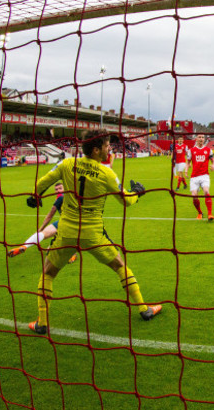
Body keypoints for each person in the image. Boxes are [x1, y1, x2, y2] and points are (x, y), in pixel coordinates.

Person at [25, 129, 160, 335]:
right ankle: (144, 309)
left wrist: (36, 196)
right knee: (119, 265)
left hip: (67, 231)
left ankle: (42, 323)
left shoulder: (67, 164)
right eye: (107, 145)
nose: (110, 148)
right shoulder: (107, 174)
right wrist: (138, 193)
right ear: (96, 150)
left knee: (48, 272)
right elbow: (127, 201)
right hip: (93, 234)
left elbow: (41, 183)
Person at [7, 182, 77, 264]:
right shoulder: (69, 196)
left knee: (45, 234)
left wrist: (41, 228)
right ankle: (24, 247)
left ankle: (25, 246)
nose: (58, 191)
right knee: (53, 238)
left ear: (65, 188)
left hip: (71, 223)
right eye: (56, 189)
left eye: (60, 188)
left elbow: (50, 215)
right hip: (69, 222)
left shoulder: (60, 198)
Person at [185, 134, 214, 221]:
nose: (201, 139)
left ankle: (210, 213)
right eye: (199, 137)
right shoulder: (191, 150)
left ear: (204, 139)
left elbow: (213, 161)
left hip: (204, 175)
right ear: (196, 139)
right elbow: (188, 162)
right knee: (194, 196)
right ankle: (200, 212)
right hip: (194, 177)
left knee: (206, 191)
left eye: (202, 137)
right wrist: (186, 170)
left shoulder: (208, 150)